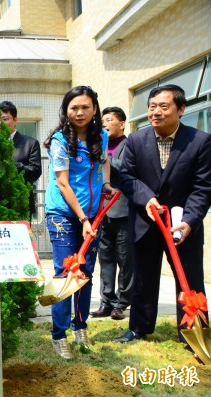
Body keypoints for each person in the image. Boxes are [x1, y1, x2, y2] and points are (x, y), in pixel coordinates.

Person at [115, 84, 211, 344]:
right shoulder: (136, 140)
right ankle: (139, 328)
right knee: (143, 277)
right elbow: (126, 177)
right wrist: (146, 199)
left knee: (189, 278)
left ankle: (194, 332)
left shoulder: (200, 141)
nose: (155, 112)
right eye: (152, 107)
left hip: (182, 225)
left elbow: (203, 187)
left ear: (181, 109)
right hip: (146, 222)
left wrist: (190, 221)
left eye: (164, 107)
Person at [43, 86, 111, 359]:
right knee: (65, 272)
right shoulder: (60, 140)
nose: (79, 112)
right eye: (74, 108)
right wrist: (83, 218)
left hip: (94, 214)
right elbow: (62, 182)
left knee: (85, 273)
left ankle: (80, 327)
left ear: (94, 109)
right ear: (66, 111)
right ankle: (58, 335)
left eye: (85, 107)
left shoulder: (102, 136)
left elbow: (104, 162)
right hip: (64, 214)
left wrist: (106, 183)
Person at [90, 107, 133, 321]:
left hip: (123, 210)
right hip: (102, 212)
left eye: (109, 120)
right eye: (103, 120)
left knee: (125, 259)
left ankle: (121, 303)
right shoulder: (99, 145)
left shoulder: (130, 145)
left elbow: (125, 169)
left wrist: (103, 158)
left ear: (122, 123)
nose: (105, 124)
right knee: (105, 258)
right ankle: (106, 302)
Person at [0, 101, 42, 217]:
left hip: (21, 204)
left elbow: (36, 171)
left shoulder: (30, 143)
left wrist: (17, 167)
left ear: (15, 120)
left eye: (4, 119)